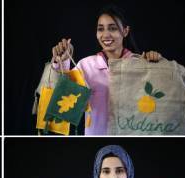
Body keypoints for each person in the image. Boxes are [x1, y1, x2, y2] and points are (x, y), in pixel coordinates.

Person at [51, 4, 163, 135]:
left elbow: (159, 104)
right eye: (100, 29)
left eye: (113, 28)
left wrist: (157, 64)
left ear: (125, 31)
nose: (105, 34)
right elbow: (59, 100)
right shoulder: (86, 66)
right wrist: (62, 62)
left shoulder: (139, 64)